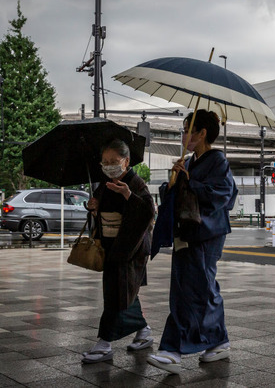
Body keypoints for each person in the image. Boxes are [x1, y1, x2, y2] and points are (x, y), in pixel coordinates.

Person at [148, 110, 237, 374]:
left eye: (188, 129)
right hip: (188, 231)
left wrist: (190, 181)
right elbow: (178, 193)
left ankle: (173, 349)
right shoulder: (190, 161)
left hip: (206, 233)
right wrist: (174, 179)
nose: (184, 135)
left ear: (202, 134)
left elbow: (223, 195)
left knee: (193, 287)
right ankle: (218, 341)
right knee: (200, 286)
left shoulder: (217, 160)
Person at [81, 139, 156, 364]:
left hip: (130, 248)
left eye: (114, 161)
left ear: (126, 161)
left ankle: (104, 343)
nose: (109, 166)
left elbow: (148, 211)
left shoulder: (135, 183)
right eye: (105, 162)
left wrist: (128, 196)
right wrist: (94, 208)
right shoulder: (104, 184)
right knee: (125, 291)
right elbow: (101, 214)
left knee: (118, 291)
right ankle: (143, 331)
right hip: (111, 246)